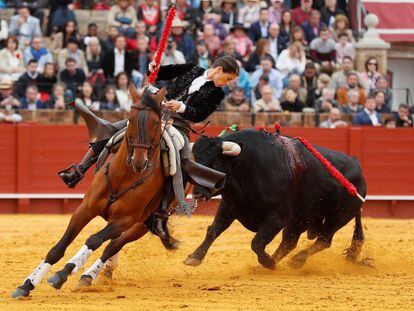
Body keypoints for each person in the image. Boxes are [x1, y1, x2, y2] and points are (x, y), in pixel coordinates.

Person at [59, 55, 240, 237]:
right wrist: (152, 68)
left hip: (179, 125)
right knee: (111, 130)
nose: (227, 83)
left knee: (182, 159)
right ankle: (79, 170)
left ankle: (161, 213)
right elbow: (161, 72)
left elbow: (199, 114)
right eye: (228, 78)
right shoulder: (192, 69)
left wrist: (181, 107)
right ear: (219, 70)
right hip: (155, 115)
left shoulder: (218, 94)